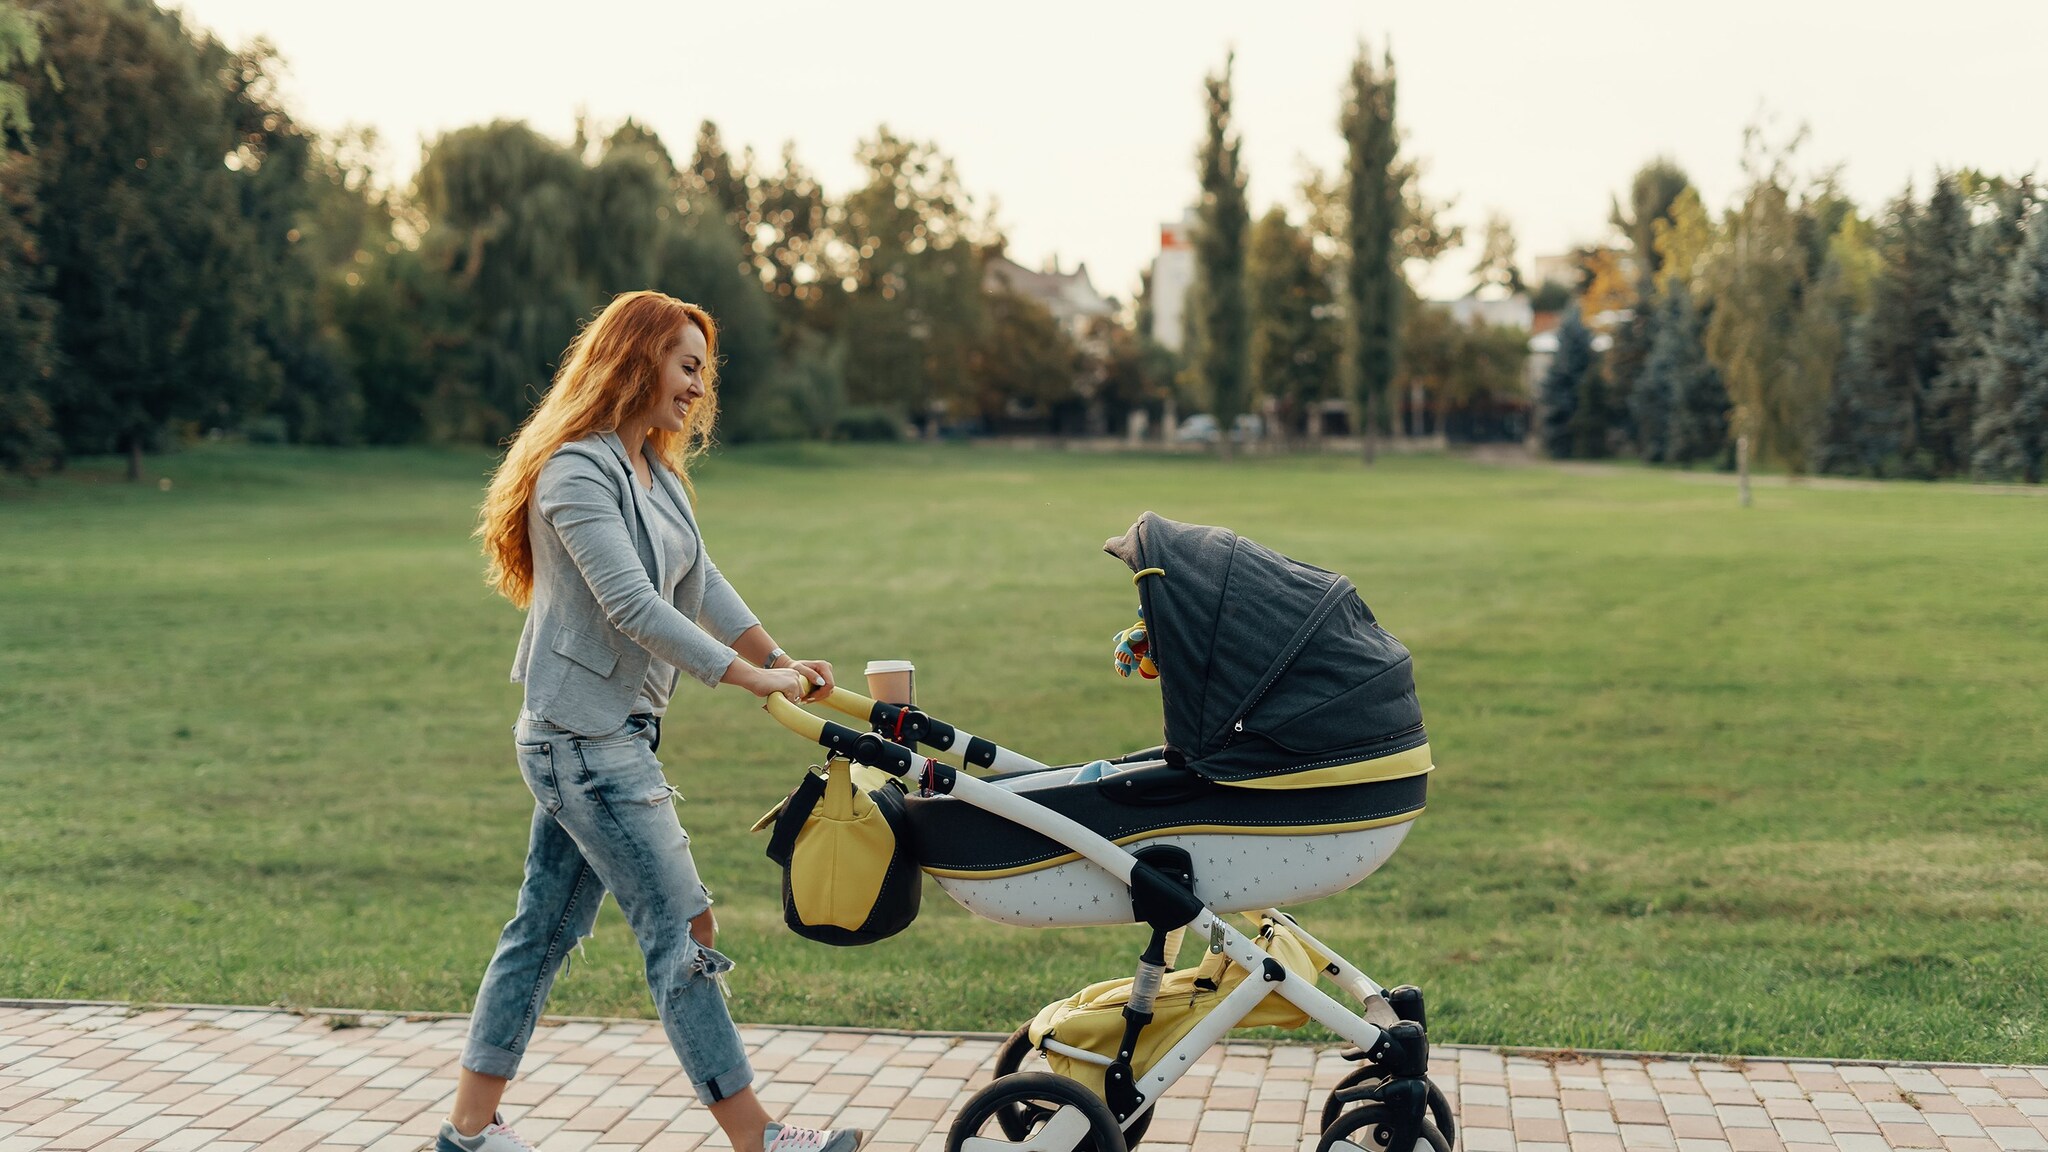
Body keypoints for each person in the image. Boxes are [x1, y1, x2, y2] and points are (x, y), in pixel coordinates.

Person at [445, 290, 862, 1152]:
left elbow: (702, 580)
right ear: (638, 361)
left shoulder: (656, 473)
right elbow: (633, 603)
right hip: (582, 746)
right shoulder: (573, 472)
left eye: (702, 372)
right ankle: (759, 1138)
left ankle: (468, 1133)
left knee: (541, 933)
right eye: (686, 367)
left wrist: (779, 657)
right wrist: (745, 676)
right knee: (683, 928)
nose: (697, 389)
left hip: (608, 739)